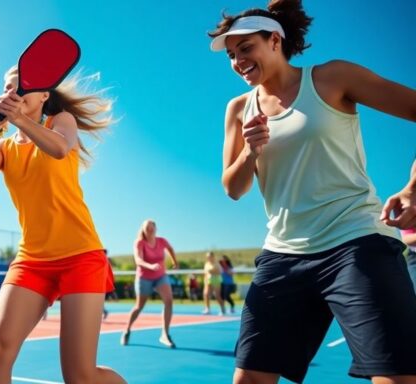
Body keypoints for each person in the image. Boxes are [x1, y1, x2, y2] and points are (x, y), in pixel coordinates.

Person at [210, 1, 416, 382]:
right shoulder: (238, 109)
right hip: (283, 254)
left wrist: (413, 189)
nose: (238, 61)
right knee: (250, 378)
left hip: (356, 243)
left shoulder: (332, 78)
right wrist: (250, 151)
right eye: (232, 55)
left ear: (274, 40)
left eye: (246, 48)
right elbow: (233, 189)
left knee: (395, 378)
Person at [0, 65, 126, 383]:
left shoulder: (61, 122)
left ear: (43, 95)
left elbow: (58, 148)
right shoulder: (4, 148)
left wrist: (20, 120)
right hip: (32, 261)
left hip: (81, 256)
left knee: (80, 376)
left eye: (22, 88)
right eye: (9, 88)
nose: (14, 93)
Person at [121, 220, 178, 348]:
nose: (150, 230)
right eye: (148, 228)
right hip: (144, 277)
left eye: (152, 228)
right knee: (139, 306)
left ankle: (165, 334)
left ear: (156, 229)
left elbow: (170, 249)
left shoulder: (162, 241)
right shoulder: (139, 243)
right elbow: (138, 260)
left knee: (169, 301)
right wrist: (150, 266)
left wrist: (174, 261)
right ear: (143, 230)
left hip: (160, 276)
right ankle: (127, 329)